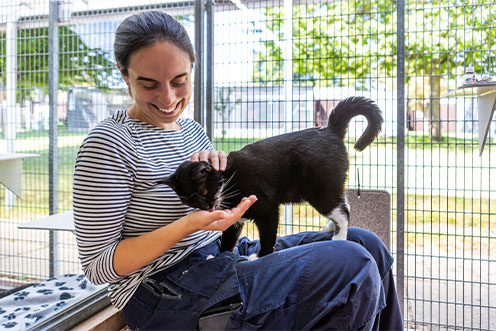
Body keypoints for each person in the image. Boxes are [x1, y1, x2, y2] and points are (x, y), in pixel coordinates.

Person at [73, 10, 403, 330]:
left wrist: (227, 205)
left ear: (192, 70)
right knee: (351, 265)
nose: (168, 97)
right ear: (123, 73)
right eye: (149, 84)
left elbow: (224, 214)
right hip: (162, 291)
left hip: (219, 257)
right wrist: (188, 224)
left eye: (180, 80)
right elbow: (99, 267)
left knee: (365, 244)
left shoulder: (191, 130)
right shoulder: (109, 143)